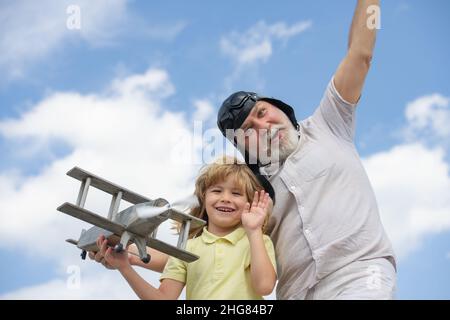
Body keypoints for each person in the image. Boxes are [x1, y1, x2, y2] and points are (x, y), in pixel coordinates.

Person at [216, 0, 396, 300]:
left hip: (362, 273)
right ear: (243, 148)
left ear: (279, 108)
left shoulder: (329, 123)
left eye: (262, 112)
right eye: (247, 129)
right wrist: (127, 249)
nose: (262, 126)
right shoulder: (247, 189)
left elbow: (361, 54)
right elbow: (199, 236)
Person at [94, 157, 277, 300]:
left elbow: (265, 287)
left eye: (236, 193)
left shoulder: (257, 242)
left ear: (249, 204)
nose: (225, 198)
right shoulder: (187, 249)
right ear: (203, 199)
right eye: (217, 191)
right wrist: (125, 267)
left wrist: (254, 232)